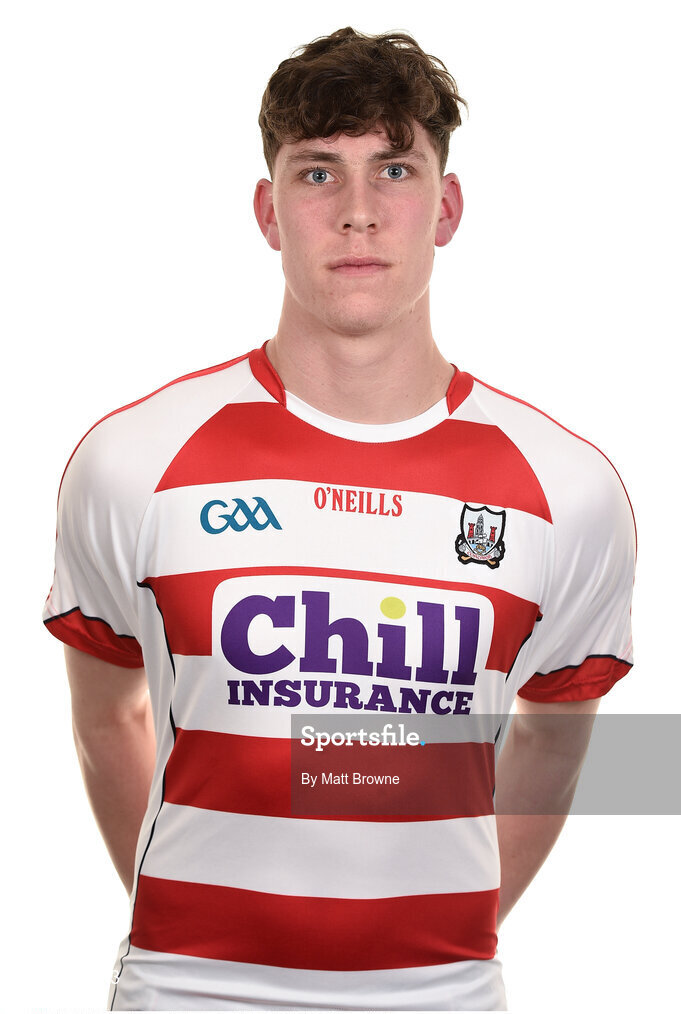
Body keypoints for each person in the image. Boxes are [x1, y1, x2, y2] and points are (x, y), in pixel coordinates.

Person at [42, 25, 636, 1012]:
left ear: (445, 207)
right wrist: (189, 928)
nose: (358, 212)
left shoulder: (566, 488)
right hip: (184, 991)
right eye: (318, 173)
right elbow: (108, 714)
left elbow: (557, 735)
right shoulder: (133, 460)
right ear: (268, 210)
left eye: (393, 169)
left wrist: (444, 941)